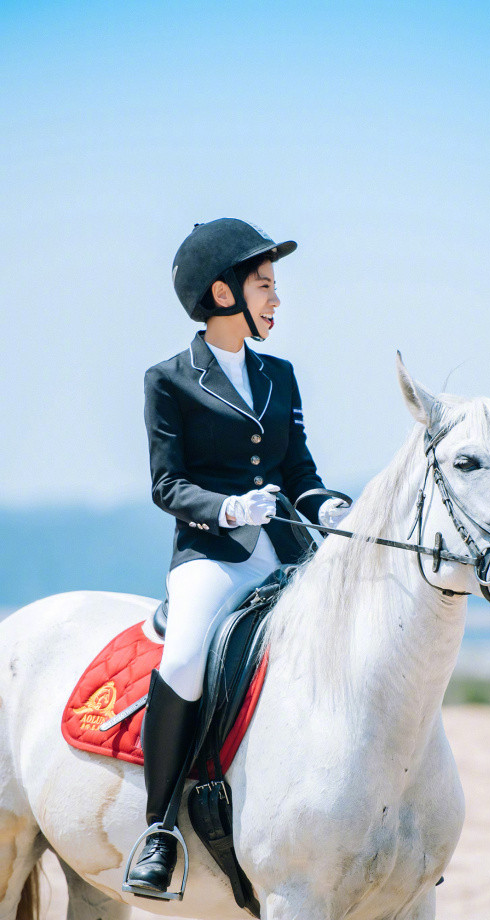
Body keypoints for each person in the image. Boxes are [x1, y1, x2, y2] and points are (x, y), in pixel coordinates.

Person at [125, 218, 348, 895]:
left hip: (285, 549)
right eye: (265, 286)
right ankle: (159, 826)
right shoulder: (168, 380)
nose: (277, 301)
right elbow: (167, 484)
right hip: (211, 554)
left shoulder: (280, 376)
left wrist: (329, 508)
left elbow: (301, 470)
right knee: (187, 654)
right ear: (223, 292)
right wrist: (225, 509)